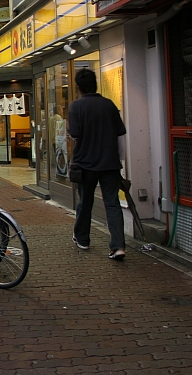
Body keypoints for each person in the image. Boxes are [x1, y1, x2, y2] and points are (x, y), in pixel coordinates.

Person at [69, 68, 128, 260]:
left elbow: (75, 134)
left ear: (78, 87)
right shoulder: (109, 105)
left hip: (85, 163)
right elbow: (120, 133)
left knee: (85, 201)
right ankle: (118, 246)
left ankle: (83, 238)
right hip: (110, 163)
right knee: (112, 203)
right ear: (95, 85)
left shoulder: (76, 106)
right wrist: (119, 160)